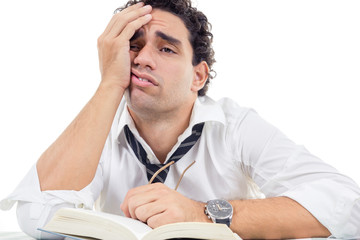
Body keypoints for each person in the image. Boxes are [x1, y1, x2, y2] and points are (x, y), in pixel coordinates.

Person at [1, 0, 359, 239]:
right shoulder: (99, 128)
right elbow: (36, 215)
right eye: (133, 46)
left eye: (166, 48)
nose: (141, 59)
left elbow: (347, 204)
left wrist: (203, 213)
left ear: (198, 77)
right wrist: (110, 82)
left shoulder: (235, 125)